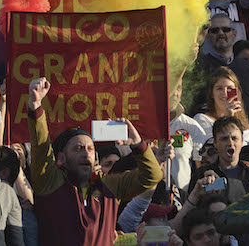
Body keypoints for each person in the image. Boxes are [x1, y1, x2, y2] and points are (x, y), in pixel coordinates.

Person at [26, 77, 161, 245]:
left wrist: (138, 144)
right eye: (78, 149)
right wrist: (36, 105)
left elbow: (152, 176)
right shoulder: (49, 182)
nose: (86, 154)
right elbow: (41, 146)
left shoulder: (110, 186)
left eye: (90, 149)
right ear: (61, 158)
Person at [189, 117, 249, 206]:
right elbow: (192, 209)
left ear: (242, 141)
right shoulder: (202, 175)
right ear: (215, 143)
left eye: (234, 138)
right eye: (224, 139)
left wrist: (223, 184)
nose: (230, 143)